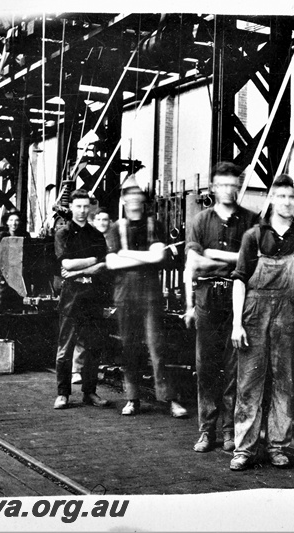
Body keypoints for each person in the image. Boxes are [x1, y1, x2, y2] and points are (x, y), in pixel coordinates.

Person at [229, 174, 294, 471]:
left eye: (292, 197)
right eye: (282, 196)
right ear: (272, 198)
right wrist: (237, 323)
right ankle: (244, 449)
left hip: (289, 314)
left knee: (285, 382)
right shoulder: (253, 236)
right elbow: (239, 280)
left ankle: (277, 446)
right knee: (249, 382)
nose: (287, 202)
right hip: (253, 314)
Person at [183, 162, 258, 453]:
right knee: (206, 367)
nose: (228, 189)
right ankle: (206, 431)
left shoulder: (251, 220)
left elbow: (251, 262)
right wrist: (233, 258)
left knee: (233, 366)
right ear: (214, 188)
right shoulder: (200, 220)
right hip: (206, 298)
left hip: (238, 298)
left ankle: (230, 431)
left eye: (233, 184)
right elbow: (195, 263)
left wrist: (212, 255)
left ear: (238, 186)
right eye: (222, 184)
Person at [105, 175, 188, 419]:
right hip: (124, 294)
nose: (134, 203)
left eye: (138, 198)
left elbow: (157, 258)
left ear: (143, 201)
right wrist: (140, 256)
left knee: (157, 346)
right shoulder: (115, 228)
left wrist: (125, 254)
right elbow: (111, 262)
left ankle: (169, 399)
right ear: (123, 200)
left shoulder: (155, 225)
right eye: (129, 198)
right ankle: (132, 399)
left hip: (150, 294)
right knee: (128, 347)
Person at [53, 189, 112, 410]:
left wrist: (79, 270)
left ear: (90, 208)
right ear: (71, 208)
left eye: (86, 207)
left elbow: (102, 265)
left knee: (93, 346)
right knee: (65, 347)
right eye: (78, 206)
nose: (82, 211)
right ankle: (63, 394)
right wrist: (91, 262)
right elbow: (65, 264)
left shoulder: (96, 235)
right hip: (71, 298)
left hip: (92, 297)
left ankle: (90, 392)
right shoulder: (63, 233)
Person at [71, 206, 113, 385]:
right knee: (82, 331)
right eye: (99, 220)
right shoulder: (89, 240)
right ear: (93, 222)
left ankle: (93, 371)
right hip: (87, 289)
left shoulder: (112, 240)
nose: (103, 223)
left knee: (99, 332)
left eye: (106, 220)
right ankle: (76, 370)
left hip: (106, 288)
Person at [0, 209, 29, 312]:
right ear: (7, 222)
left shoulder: (25, 235)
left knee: (19, 299)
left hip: (20, 272)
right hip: (4, 271)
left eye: (16, 220)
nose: (14, 223)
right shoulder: (2, 235)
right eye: (11, 220)